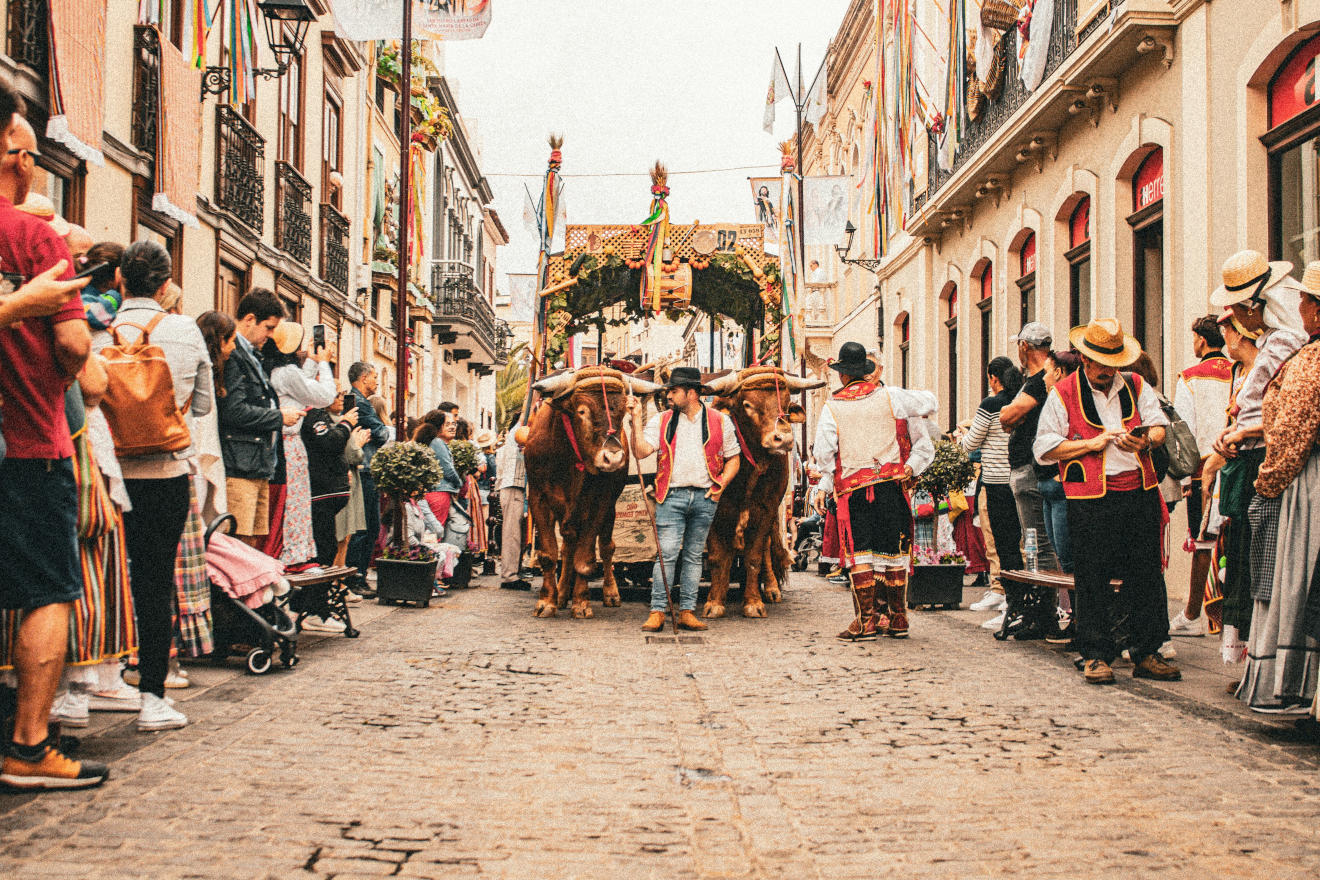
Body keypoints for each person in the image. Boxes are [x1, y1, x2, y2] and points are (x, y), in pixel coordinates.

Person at [0, 78, 106, 791]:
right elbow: (74, 351)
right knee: (45, 591)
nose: (32, 165)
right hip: (30, 444)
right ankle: (31, 746)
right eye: (27, 151)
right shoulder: (33, 238)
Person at [102, 240, 213, 731]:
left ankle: (92, 682)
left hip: (104, 475)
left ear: (121, 280)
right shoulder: (184, 330)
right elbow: (205, 405)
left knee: (98, 575)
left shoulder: (98, 326)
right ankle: (151, 695)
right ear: (166, 285)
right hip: (165, 471)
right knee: (153, 581)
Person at [1035, 318, 1177, 685]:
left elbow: (1160, 426)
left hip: (1138, 491)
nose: (1105, 370)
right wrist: (1089, 444)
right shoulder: (1063, 393)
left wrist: (1144, 441)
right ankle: (1096, 654)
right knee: (1092, 576)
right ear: (1084, 359)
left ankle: (1146, 650)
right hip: (1091, 498)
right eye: (1098, 362)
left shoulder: (1135, 384)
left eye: (1112, 362)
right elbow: (1045, 449)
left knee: (1145, 573)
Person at [1208, 251, 1308, 669]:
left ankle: (1266, 658)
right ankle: (1256, 656)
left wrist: (1243, 430)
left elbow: (1279, 409)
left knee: (1263, 561)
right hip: (1251, 452)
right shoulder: (1271, 340)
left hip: (1268, 456)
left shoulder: (1285, 342)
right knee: (1250, 561)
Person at [1235, 262, 1320, 714]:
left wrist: (1268, 482)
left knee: (1296, 576)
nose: (1300, 305)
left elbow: (1291, 432)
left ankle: (1292, 683)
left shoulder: (1309, 360)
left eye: (1308, 299)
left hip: (1308, 479)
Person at [812, 342, 936, 641]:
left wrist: (824, 484)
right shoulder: (889, 396)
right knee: (892, 551)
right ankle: (898, 618)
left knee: (860, 554)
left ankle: (867, 621)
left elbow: (825, 454)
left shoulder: (833, 406)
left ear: (842, 375)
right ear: (867, 372)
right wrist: (910, 467)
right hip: (890, 486)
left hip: (854, 489)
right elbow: (930, 402)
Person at [627, 366, 741, 632]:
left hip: (704, 497)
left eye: (674, 391)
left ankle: (687, 611)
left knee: (692, 557)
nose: (669, 396)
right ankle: (658, 611)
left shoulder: (719, 421)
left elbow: (733, 459)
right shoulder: (661, 420)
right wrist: (634, 419)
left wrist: (721, 485)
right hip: (671, 496)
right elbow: (641, 451)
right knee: (666, 555)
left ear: (691, 393)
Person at [218, 290, 299, 548]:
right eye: (269, 327)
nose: (271, 335)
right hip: (240, 463)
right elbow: (234, 410)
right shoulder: (234, 355)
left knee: (251, 540)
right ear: (250, 319)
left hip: (255, 463)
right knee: (238, 541)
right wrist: (278, 416)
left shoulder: (251, 355)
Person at [1169, 316, 1233, 636]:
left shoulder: (1190, 377)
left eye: (1193, 337)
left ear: (1201, 340)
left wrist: (1183, 480)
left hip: (1202, 469)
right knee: (1231, 542)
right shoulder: (1239, 370)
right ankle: (1225, 613)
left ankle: (1194, 613)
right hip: (1234, 463)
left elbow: (1185, 433)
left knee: (1203, 541)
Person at [266, 321, 336, 568]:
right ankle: (293, 553)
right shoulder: (287, 373)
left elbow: (299, 388)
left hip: (277, 442)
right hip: (290, 443)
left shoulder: (275, 371)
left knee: (288, 500)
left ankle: (290, 550)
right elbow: (324, 396)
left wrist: (313, 362)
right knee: (295, 500)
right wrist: (325, 363)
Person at [962, 356, 1023, 622]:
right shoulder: (1023, 400)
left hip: (996, 480)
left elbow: (972, 441)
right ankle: (1011, 595)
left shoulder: (991, 405)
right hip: (1020, 479)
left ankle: (1008, 597)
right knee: (1021, 542)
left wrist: (963, 439)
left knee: (1000, 541)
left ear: (993, 378)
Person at [1000, 322, 1060, 571]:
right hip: (1032, 467)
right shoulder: (1040, 380)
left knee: (1038, 543)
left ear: (1024, 346)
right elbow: (1010, 417)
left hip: (1030, 468)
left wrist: (1014, 415)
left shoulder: (1040, 381)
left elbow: (1006, 417)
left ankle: (1045, 605)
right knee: (1039, 541)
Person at [344, 362, 391, 597]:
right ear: (363, 378)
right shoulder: (360, 403)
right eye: (374, 377)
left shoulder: (362, 403)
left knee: (370, 526)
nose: (377, 381)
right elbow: (381, 433)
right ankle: (355, 576)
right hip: (364, 469)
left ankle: (358, 575)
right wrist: (381, 430)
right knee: (364, 526)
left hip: (367, 468)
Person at [302, 389, 362, 567]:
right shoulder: (315, 414)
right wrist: (346, 424)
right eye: (336, 394)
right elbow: (332, 443)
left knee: (330, 544)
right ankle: (319, 591)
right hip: (322, 489)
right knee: (325, 547)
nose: (341, 399)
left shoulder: (319, 415)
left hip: (330, 491)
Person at [496, 422, 530, 590]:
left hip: (518, 487)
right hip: (513, 487)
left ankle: (514, 571)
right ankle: (509, 576)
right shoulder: (518, 432)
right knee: (512, 532)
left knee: (518, 533)